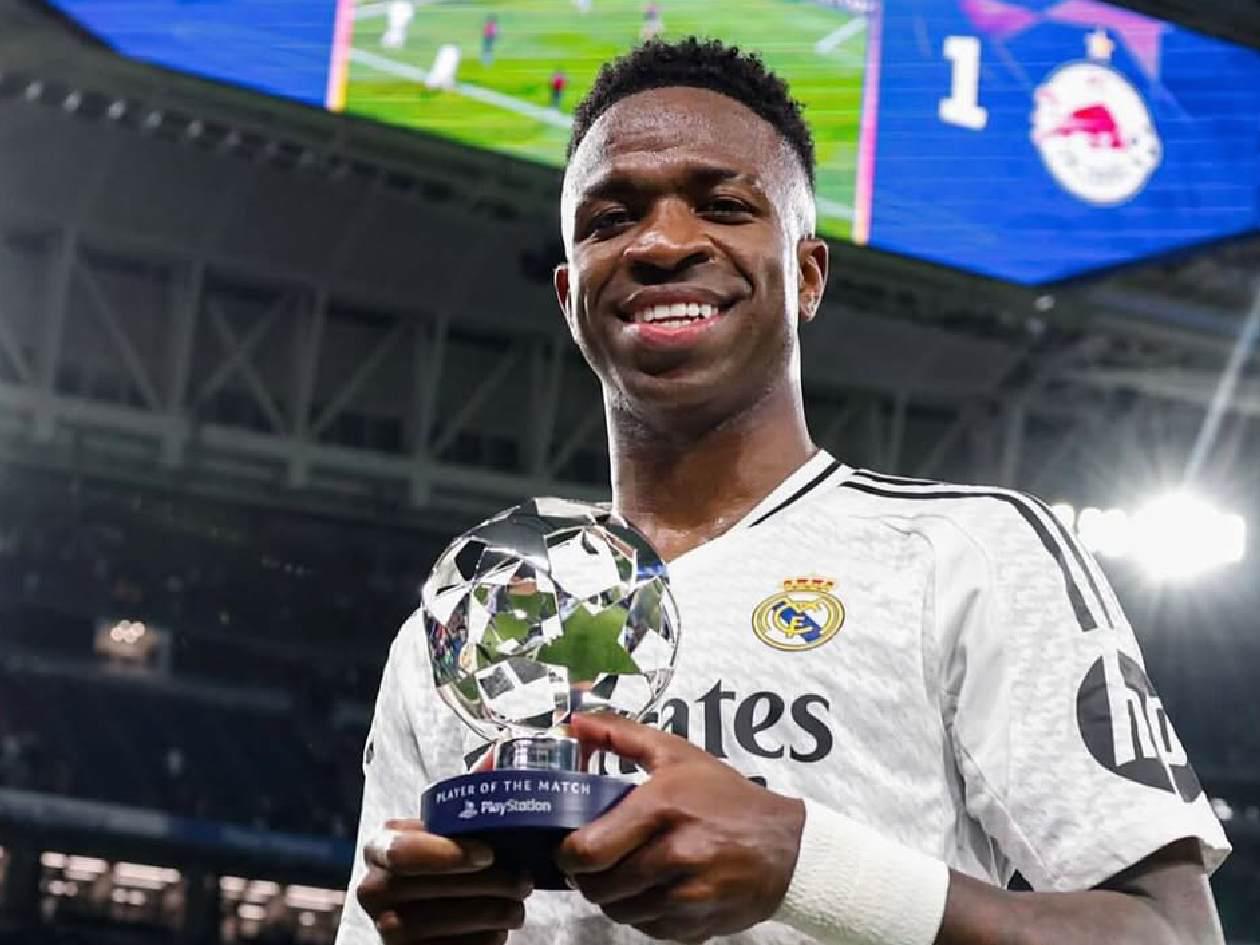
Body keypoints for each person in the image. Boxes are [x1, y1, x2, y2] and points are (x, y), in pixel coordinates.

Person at [336, 38, 1230, 945]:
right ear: (569, 296)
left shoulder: (968, 553)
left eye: (724, 206)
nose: (663, 243)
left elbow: (1171, 934)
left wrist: (808, 865)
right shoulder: (460, 631)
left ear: (807, 275)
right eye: (611, 219)